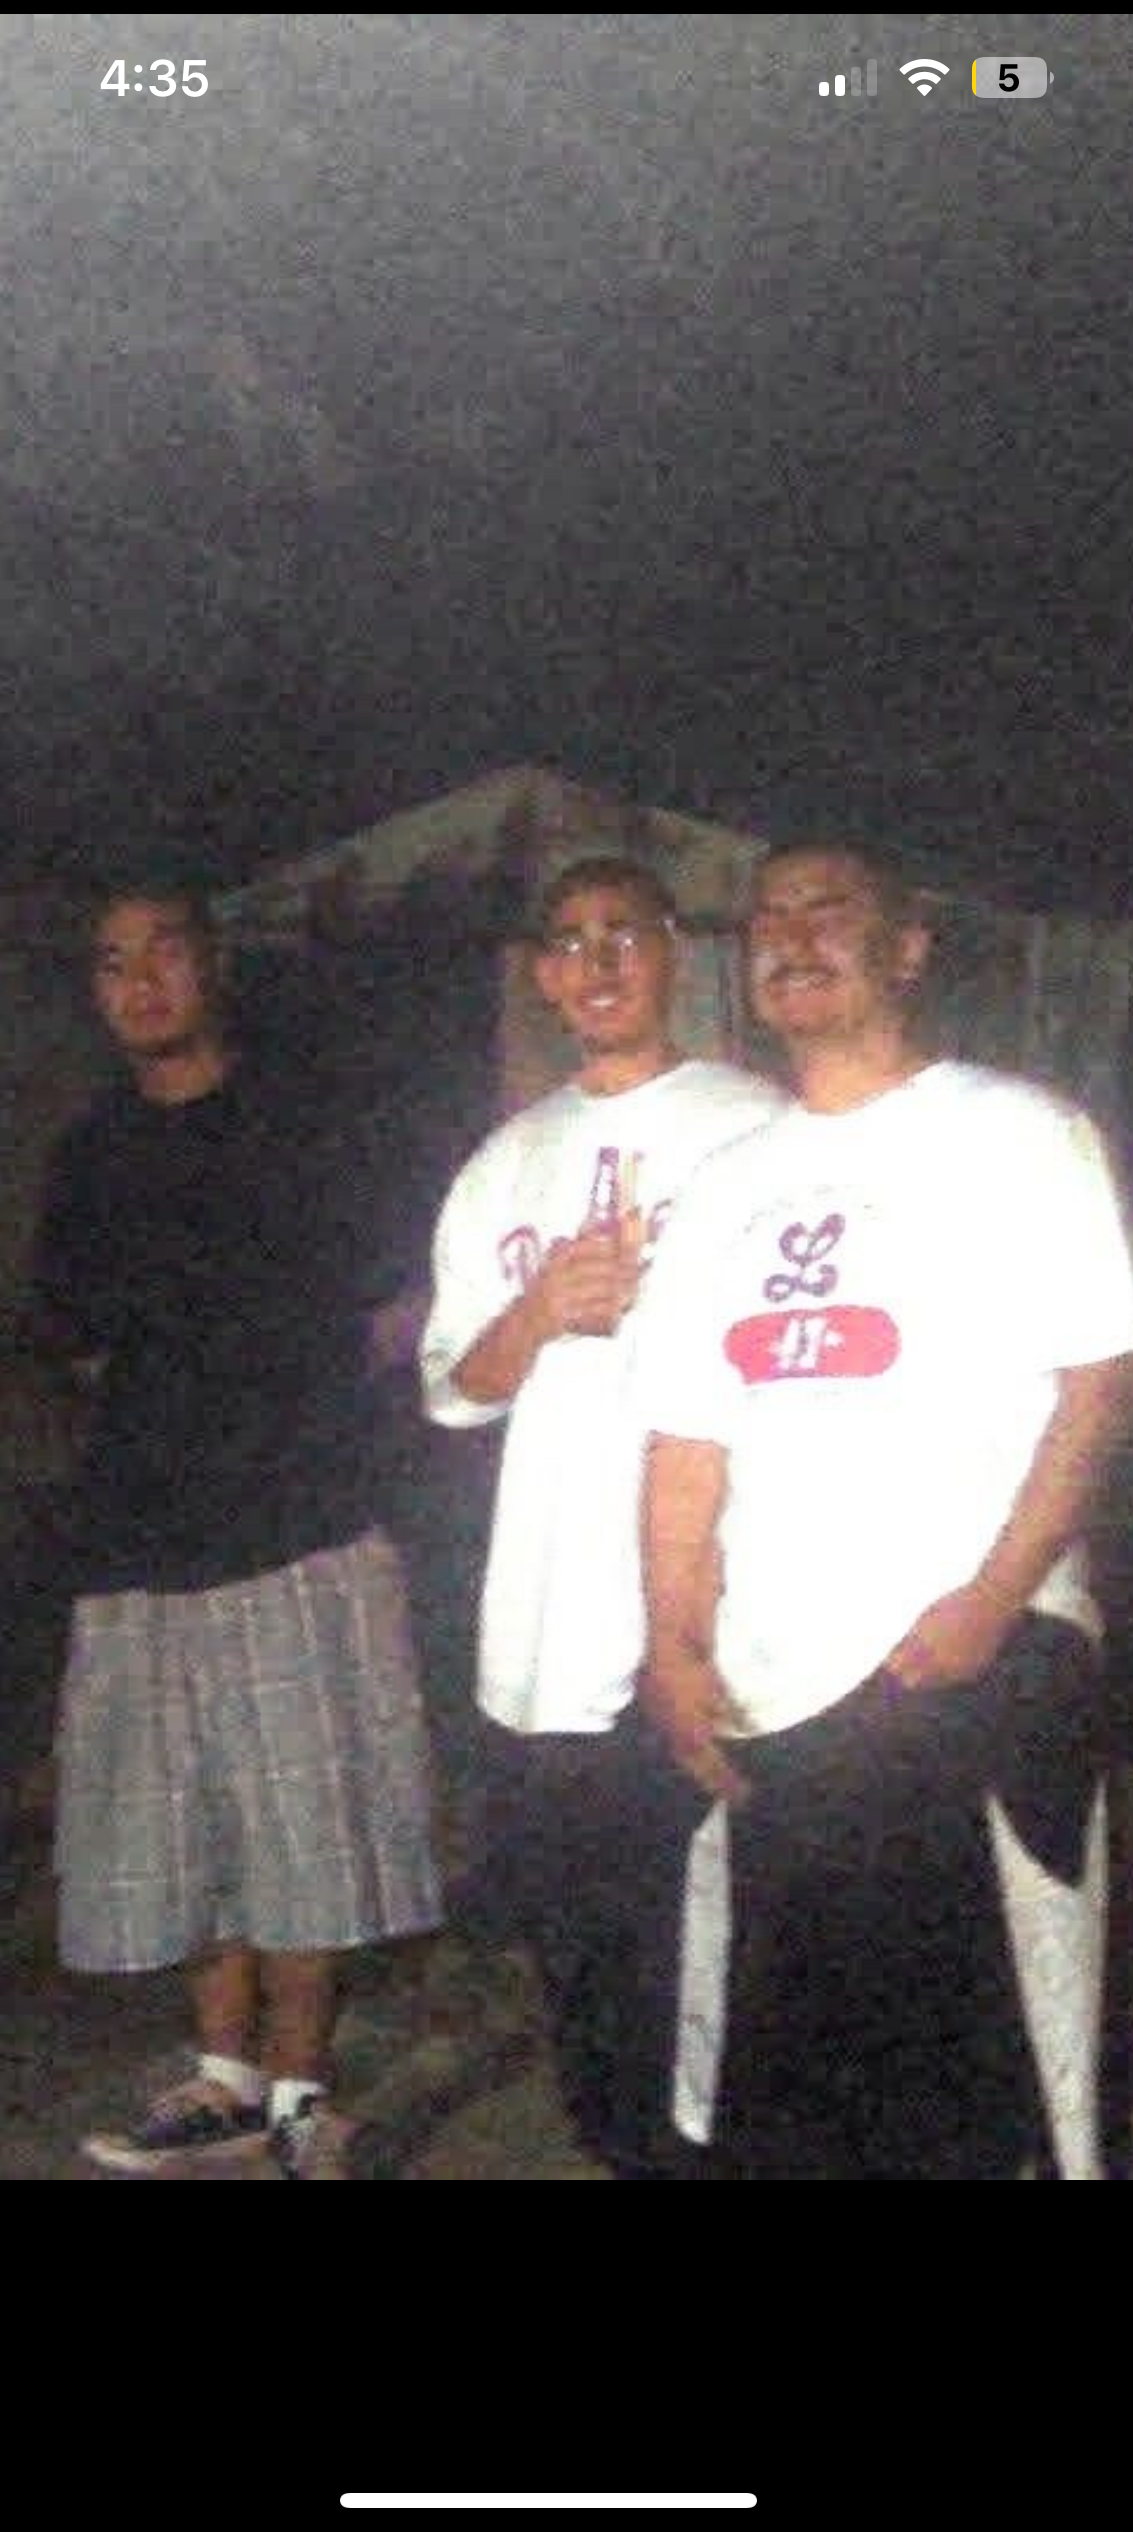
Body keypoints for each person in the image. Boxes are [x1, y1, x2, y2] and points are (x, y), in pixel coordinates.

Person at [637, 838, 1133, 2180]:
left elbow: (1093, 1388)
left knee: (976, 2085)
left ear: (906, 947)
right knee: (800, 2078)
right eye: (766, 918)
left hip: (964, 1666)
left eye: (829, 910)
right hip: (775, 1692)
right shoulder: (728, 1187)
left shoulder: (1018, 1133)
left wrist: (989, 1599)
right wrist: (675, 1647)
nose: (791, 936)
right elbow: (684, 1440)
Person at [32, 871, 442, 2179]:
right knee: (181, 1822)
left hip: (299, 1525)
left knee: (303, 1822)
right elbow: (75, 1336)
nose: (141, 980)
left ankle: (300, 2097)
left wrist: (316, 1418)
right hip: (145, 1538)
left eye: (163, 950)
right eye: (113, 961)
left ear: (212, 965)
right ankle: (220, 2079)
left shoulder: (308, 1119)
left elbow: (396, 1310)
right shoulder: (89, 1153)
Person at [419, 852, 782, 2177]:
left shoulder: (756, 1126)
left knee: (717, 1973)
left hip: (707, 1631)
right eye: (568, 943)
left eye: (622, 934)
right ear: (541, 975)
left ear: (673, 950)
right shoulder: (503, 1162)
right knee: (583, 1969)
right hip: (544, 1638)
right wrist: (541, 1310)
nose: (597, 963)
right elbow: (455, 1391)